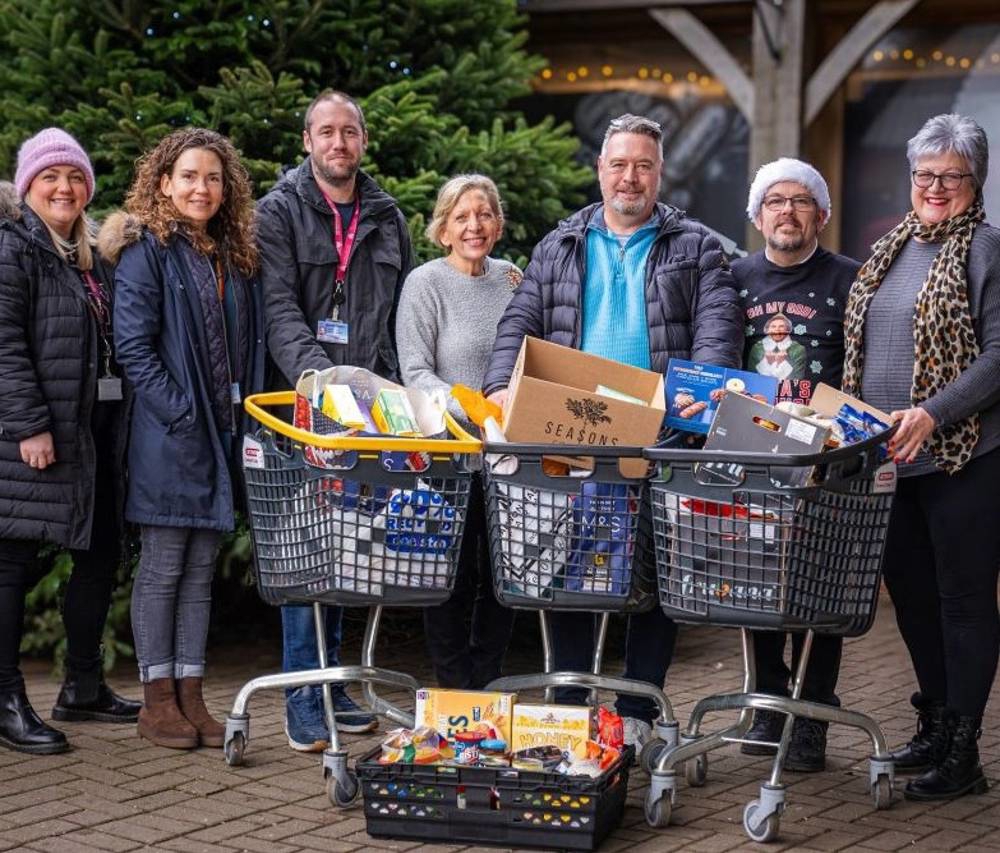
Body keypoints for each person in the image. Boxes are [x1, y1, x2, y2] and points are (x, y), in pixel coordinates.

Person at [483, 113, 743, 747]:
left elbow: (716, 342)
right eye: (619, 164)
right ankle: (570, 702)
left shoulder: (700, 248)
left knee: (654, 576)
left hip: (658, 440)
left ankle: (640, 712)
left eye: (644, 165)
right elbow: (520, 323)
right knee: (575, 571)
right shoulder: (560, 244)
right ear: (600, 170)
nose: (631, 177)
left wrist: (688, 410)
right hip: (571, 441)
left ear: (660, 172)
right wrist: (497, 389)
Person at [843, 113, 1000, 801]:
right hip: (889, 460)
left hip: (964, 457)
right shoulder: (891, 248)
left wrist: (934, 412)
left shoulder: (987, 249)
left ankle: (964, 751)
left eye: (951, 176)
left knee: (963, 601)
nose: (935, 187)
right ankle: (935, 723)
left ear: (976, 181)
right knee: (910, 599)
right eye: (925, 174)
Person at [257, 90, 414, 750]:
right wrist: (323, 388)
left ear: (363, 141)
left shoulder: (385, 215)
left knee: (350, 547)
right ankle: (302, 693)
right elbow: (280, 312)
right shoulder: (278, 213)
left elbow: (399, 315)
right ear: (307, 141)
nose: (338, 143)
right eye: (326, 132)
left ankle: (334, 681)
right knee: (302, 549)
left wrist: (395, 403)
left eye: (349, 132)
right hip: (306, 408)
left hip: (370, 414)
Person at [105, 128, 264, 749]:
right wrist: (181, 412)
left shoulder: (231, 255)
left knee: (199, 573)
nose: (202, 188)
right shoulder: (148, 252)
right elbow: (135, 350)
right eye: (190, 176)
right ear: (164, 183)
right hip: (171, 436)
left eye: (214, 178)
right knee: (164, 567)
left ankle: (193, 696)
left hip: (221, 434)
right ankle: (157, 701)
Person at [0, 130, 141, 754]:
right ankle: (6, 699)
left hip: (94, 438)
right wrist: (30, 424)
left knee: (100, 552)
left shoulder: (87, 257)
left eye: (75, 178)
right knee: (13, 565)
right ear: (28, 186)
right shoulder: (14, 249)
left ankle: (83, 683)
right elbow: (4, 346)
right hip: (36, 438)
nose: (65, 188)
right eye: (50, 178)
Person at [732, 157, 861, 772]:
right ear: (758, 215)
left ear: (822, 214)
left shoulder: (850, 280)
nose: (788, 211)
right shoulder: (733, 279)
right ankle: (768, 700)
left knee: (820, 586)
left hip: (826, 462)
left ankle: (812, 710)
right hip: (755, 457)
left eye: (801, 200)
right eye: (776, 201)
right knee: (756, 578)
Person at [396, 174, 521, 688]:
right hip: (449, 453)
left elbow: (528, 354)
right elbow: (416, 372)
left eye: (485, 214)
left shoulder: (514, 278)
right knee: (447, 576)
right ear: (443, 228)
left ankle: (487, 679)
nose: (475, 225)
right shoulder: (425, 284)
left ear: (497, 224)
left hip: (508, 456)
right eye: (462, 216)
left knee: (503, 576)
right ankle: (452, 683)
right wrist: (472, 405)